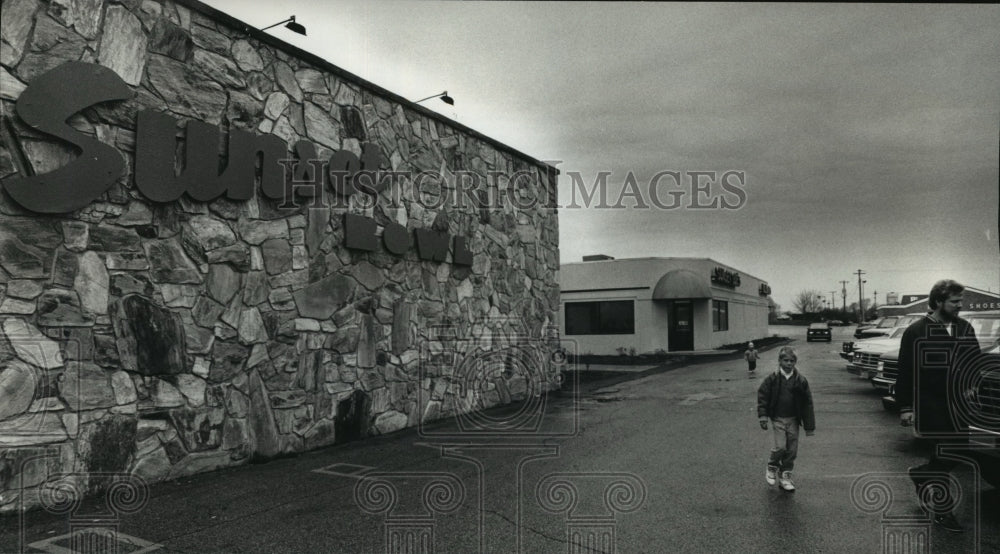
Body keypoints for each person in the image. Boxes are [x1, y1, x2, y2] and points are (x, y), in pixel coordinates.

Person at [896, 279, 981, 533]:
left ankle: (922, 475)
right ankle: (944, 510)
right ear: (938, 302)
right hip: (930, 404)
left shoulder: (964, 327)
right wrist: (905, 407)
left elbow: (974, 360)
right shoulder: (916, 331)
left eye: (960, 301)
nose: (960, 306)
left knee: (958, 449)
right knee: (947, 449)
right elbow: (905, 371)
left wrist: (973, 383)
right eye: (955, 301)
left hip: (959, 405)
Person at [757, 346, 816, 492]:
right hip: (777, 419)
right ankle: (772, 466)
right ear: (779, 361)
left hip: (793, 420)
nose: (789, 363)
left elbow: (807, 403)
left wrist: (809, 426)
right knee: (781, 447)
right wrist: (763, 417)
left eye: (792, 361)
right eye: (785, 360)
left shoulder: (800, 380)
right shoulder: (772, 379)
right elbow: (763, 397)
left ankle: (785, 476)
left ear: (795, 362)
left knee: (792, 450)